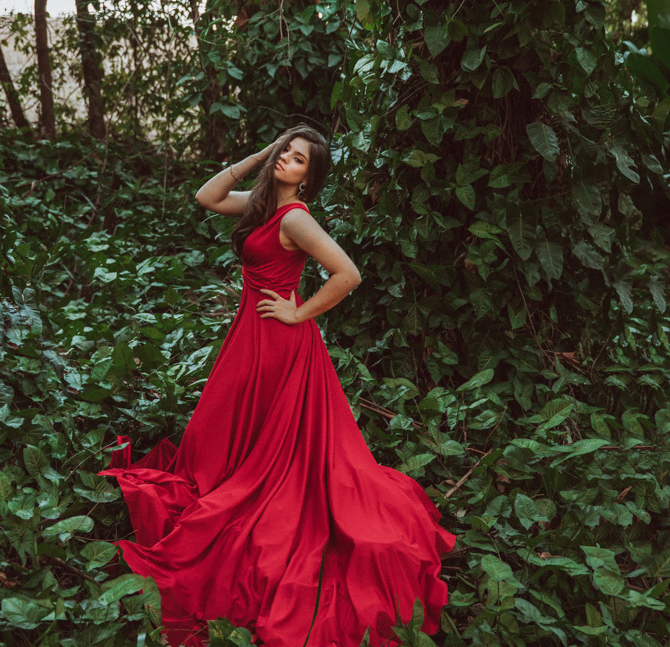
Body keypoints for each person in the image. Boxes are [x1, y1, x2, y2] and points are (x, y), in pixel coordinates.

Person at [99, 125, 457, 646]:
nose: (286, 162)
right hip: (250, 333)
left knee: (277, 454)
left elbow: (348, 274)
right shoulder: (264, 204)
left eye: (296, 161)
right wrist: (262, 156)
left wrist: (298, 313)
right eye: (285, 154)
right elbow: (207, 196)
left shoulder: (294, 217)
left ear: (309, 180)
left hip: (278, 340)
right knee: (230, 427)